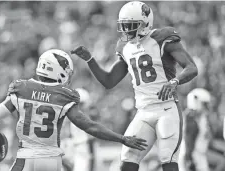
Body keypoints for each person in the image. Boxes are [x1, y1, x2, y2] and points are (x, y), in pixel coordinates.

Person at [71, 1, 198, 171]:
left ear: (145, 23)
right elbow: (109, 81)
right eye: (123, 26)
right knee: (127, 161)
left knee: (168, 160)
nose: (126, 30)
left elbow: (191, 67)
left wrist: (175, 82)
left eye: (130, 25)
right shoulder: (125, 47)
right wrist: (90, 60)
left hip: (166, 109)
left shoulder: (162, 39)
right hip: (143, 112)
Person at [0, 49, 148, 171]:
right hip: (52, 162)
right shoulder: (64, 96)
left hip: (27, 159)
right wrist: (121, 138)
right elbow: (90, 127)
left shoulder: (22, 89)